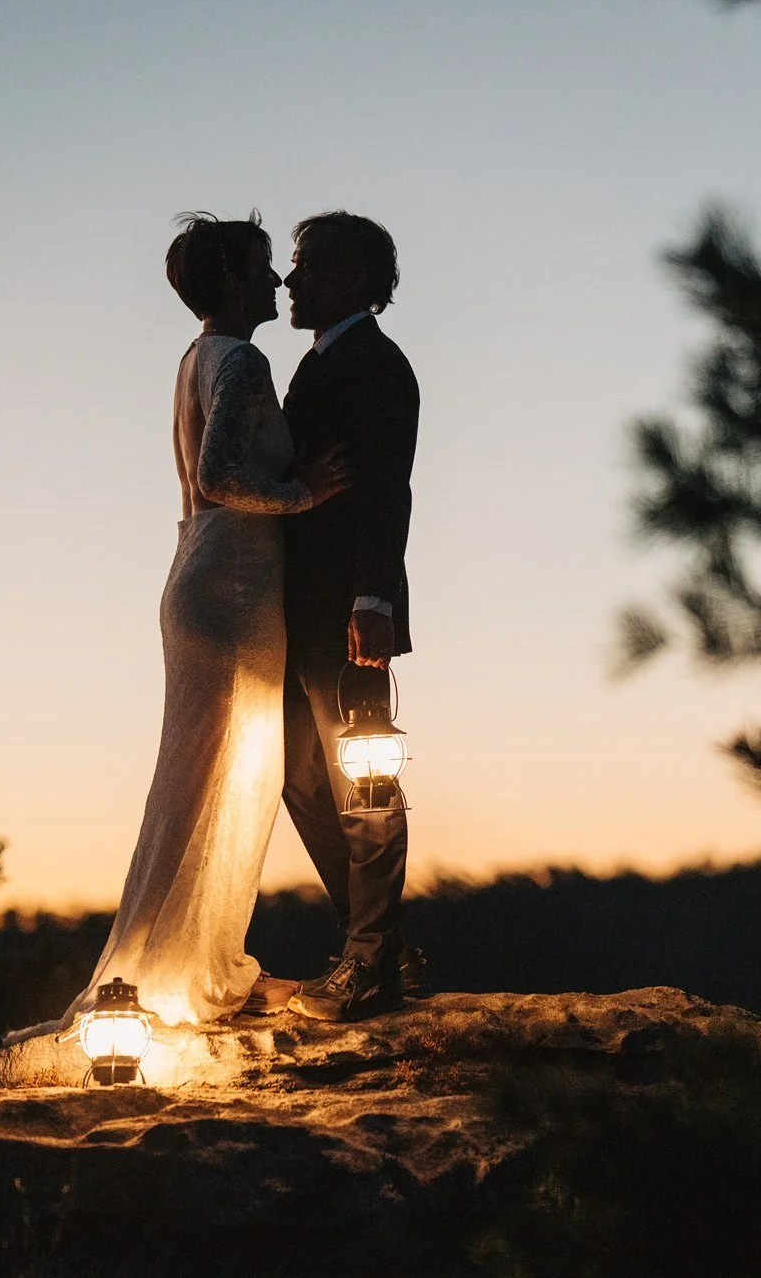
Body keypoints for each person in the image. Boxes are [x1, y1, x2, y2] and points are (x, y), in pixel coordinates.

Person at [65, 212, 349, 1028]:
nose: (276, 282)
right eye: (263, 267)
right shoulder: (245, 360)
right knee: (229, 779)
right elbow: (223, 472)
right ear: (230, 281)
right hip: (230, 589)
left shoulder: (197, 357)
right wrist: (304, 494)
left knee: (205, 783)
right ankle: (186, 972)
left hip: (202, 578)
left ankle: (196, 957)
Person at [271, 211, 422, 1023]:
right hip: (293, 612)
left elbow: (388, 489)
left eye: (308, 266)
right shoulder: (318, 364)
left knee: (364, 782)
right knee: (298, 775)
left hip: (348, 617)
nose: (292, 281)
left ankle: (369, 963)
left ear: (357, 279)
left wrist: (374, 600)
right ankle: (376, 940)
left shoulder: (379, 366)